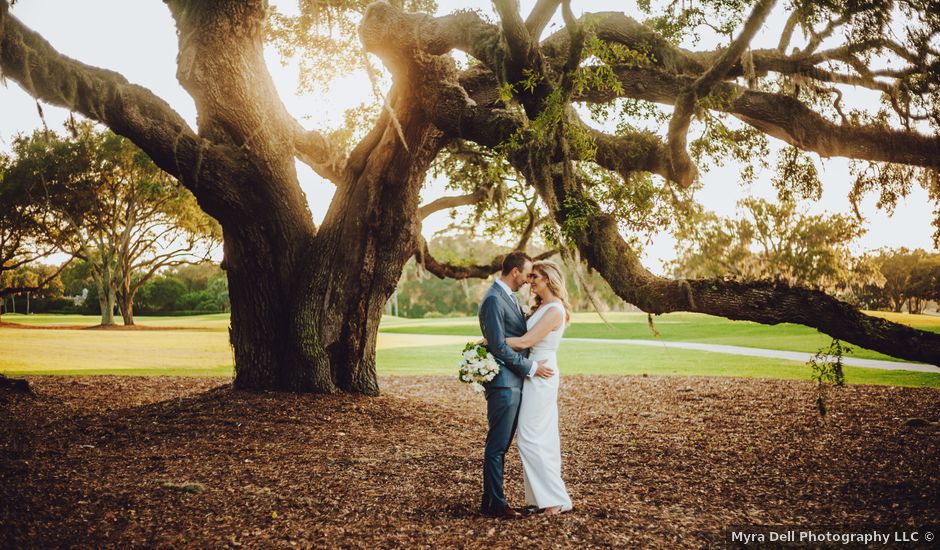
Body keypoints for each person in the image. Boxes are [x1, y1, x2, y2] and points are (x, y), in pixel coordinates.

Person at [478, 252, 554, 519]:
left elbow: (508, 339)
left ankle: (491, 501)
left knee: (501, 445)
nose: (528, 279)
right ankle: (495, 505)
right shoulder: (492, 300)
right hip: (504, 384)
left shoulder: (507, 297)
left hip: (514, 383)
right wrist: (531, 368)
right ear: (514, 272)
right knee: (497, 446)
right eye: (527, 273)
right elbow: (498, 346)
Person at [505, 259, 573, 515]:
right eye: (530, 276)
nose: (530, 281)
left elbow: (526, 341)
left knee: (529, 437)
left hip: (542, 373)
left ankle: (553, 500)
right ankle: (543, 499)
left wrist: (492, 341)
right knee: (541, 437)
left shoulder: (555, 310)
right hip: (532, 371)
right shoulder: (541, 307)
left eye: (535, 277)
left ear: (549, 279)